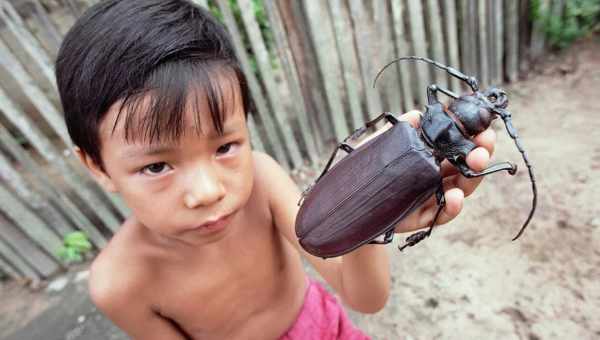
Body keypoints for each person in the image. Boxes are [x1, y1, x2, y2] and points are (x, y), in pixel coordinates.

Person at [55, 1, 497, 339]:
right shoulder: (119, 285)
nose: (208, 190)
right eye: (156, 166)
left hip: (324, 326)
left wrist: (375, 202)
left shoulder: (262, 182)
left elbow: (366, 297)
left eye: (225, 145)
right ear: (97, 166)